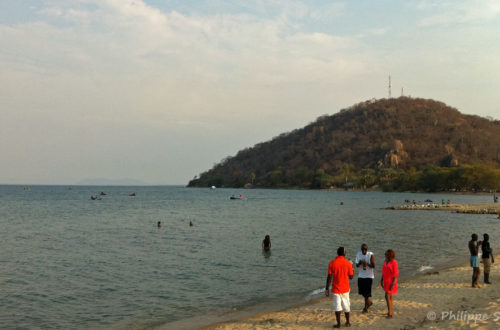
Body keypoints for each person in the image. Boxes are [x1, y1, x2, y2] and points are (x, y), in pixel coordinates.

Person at [325, 247, 354, 328]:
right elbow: (351, 277)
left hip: (336, 289)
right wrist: (352, 267)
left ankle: (338, 324)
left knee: (337, 306)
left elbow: (329, 277)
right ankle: (348, 322)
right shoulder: (348, 263)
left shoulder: (332, 263)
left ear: (337, 253)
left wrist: (327, 288)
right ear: (344, 254)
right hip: (345, 288)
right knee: (346, 305)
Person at [355, 244, 375, 313]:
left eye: (365, 249)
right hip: (361, 276)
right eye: (363, 249)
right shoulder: (358, 254)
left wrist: (367, 264)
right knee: (361, 292)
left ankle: (365, 307)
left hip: (369, 276)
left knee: (366, 293)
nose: (364, 251)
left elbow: (373, 265)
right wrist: (360, 263)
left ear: (367, 249)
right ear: (361, 249)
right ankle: (369, 302)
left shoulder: (370, 254)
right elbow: (356, 265)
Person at [381, 249, 398, 318]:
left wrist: (393, 284)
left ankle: (390, 313)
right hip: (386, 280)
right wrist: (381, 280)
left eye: (386, 254)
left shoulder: (394, 262)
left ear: (390, 256)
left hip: (391, 281)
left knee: (387, 296)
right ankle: (390, 311)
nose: (385, 255)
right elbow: (383, 271)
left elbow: (395, 274)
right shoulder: (385, 261)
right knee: (389, 296)